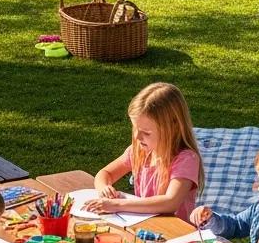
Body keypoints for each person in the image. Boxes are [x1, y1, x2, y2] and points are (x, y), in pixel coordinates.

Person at [86, 82, 203, 220]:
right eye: (135, 128)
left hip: (176, 235)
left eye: (146, 133)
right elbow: (105, 173)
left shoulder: (186, 159)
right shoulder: (139, 151)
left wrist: (117, 204)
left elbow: (170, 202)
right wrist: (104, 189)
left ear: (173, 127)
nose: (137, 137)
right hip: (145, 227)